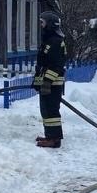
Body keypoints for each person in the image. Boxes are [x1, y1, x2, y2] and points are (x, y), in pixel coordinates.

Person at [33, 11, 67, 148]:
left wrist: (47, 82)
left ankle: (54, 139)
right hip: (47, 82)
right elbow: (43, 64)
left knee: (52, 111)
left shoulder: (55, 42)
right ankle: (49, 136)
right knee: (45, 110)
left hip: (53, 83)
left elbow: (56, 65)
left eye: (43, 22)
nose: (41, 25)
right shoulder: (49, 40)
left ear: (50, 25)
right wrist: (37, 81)